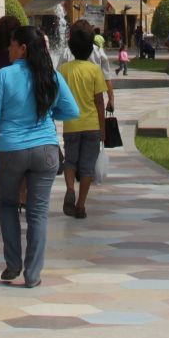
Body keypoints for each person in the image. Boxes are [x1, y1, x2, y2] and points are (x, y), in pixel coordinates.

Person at [0, 24, 79, 288]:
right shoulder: (51, 76)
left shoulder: (3, 76)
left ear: (23, 48)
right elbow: (72, 110)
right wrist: (49, 115)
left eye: (12, 44)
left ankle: (13, 264)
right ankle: (33, 274)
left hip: (10, 149)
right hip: (45, 149)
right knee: (38, 213)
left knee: (8, 205)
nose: (8, 48)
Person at [58, 27, 109, 220]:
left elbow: (58, 97)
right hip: (91, 125)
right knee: (87, 167)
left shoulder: (63, 70)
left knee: (70, 161)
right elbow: (99, 102)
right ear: (90, 49)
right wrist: (102, 130)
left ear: (70, 47)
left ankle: (70, 188)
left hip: (71, 125)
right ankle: (80, 205)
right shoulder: (94, 70)